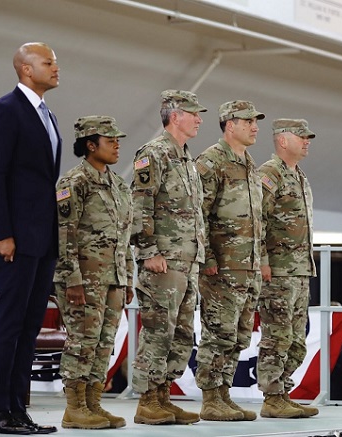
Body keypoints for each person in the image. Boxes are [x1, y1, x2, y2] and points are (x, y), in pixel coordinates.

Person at [0, 42, 61, 434]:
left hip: (42, 240)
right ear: (26, 69)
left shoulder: (48, 116)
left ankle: (17, 409)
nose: (56, 68)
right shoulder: (5, 112)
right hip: (14, 240)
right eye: (48, 62)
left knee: (29, 328)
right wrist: (1, 234)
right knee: (8, 325)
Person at [130, 90, 207, 425]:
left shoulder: (187, 158)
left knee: (182, 333)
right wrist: (149, 252)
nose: (200, 119)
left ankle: (163, 394)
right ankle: (148, 399)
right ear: (175, 115)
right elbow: (141, 204)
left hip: (187, 261)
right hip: (163, 261)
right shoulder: (154, 153)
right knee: (159, 330)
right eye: (194, 113)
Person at [54, 116, 133, 429]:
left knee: (104, 342)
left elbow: (123, 236)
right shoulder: (74, 182)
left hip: (112, 278)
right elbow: (65, 233)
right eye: (110, 140)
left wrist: (126, 278)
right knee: (82, 340)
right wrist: (71, 279)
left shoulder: (119, 184)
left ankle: (93, 404)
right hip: (83, 278)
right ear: (90, 144)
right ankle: (74, 408)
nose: (117, 145)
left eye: (117, 140)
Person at [194, 100, 264, 422]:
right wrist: (206, 257)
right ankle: (210, 397)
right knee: (218, 332)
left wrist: (259, 260)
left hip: (247, 267)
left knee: (239, 335)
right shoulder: (212, 161)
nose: (255, 127)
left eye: (256, 121)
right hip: (221, 265)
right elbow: (199, 213)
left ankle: (224, 394)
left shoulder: (249, 163)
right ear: (229, 124)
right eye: (249, 120)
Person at [256, 118, 319, 418]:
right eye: (301, 136)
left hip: (299, 271)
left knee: (296, 339)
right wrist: (263, 261)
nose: (307, 141)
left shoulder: (300, 176)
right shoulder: (270, 174)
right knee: (276, 336)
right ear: (283, 140)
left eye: (308, 137)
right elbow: (257, 220)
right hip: (278, 272)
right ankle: (271, 397)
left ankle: (283, 391)